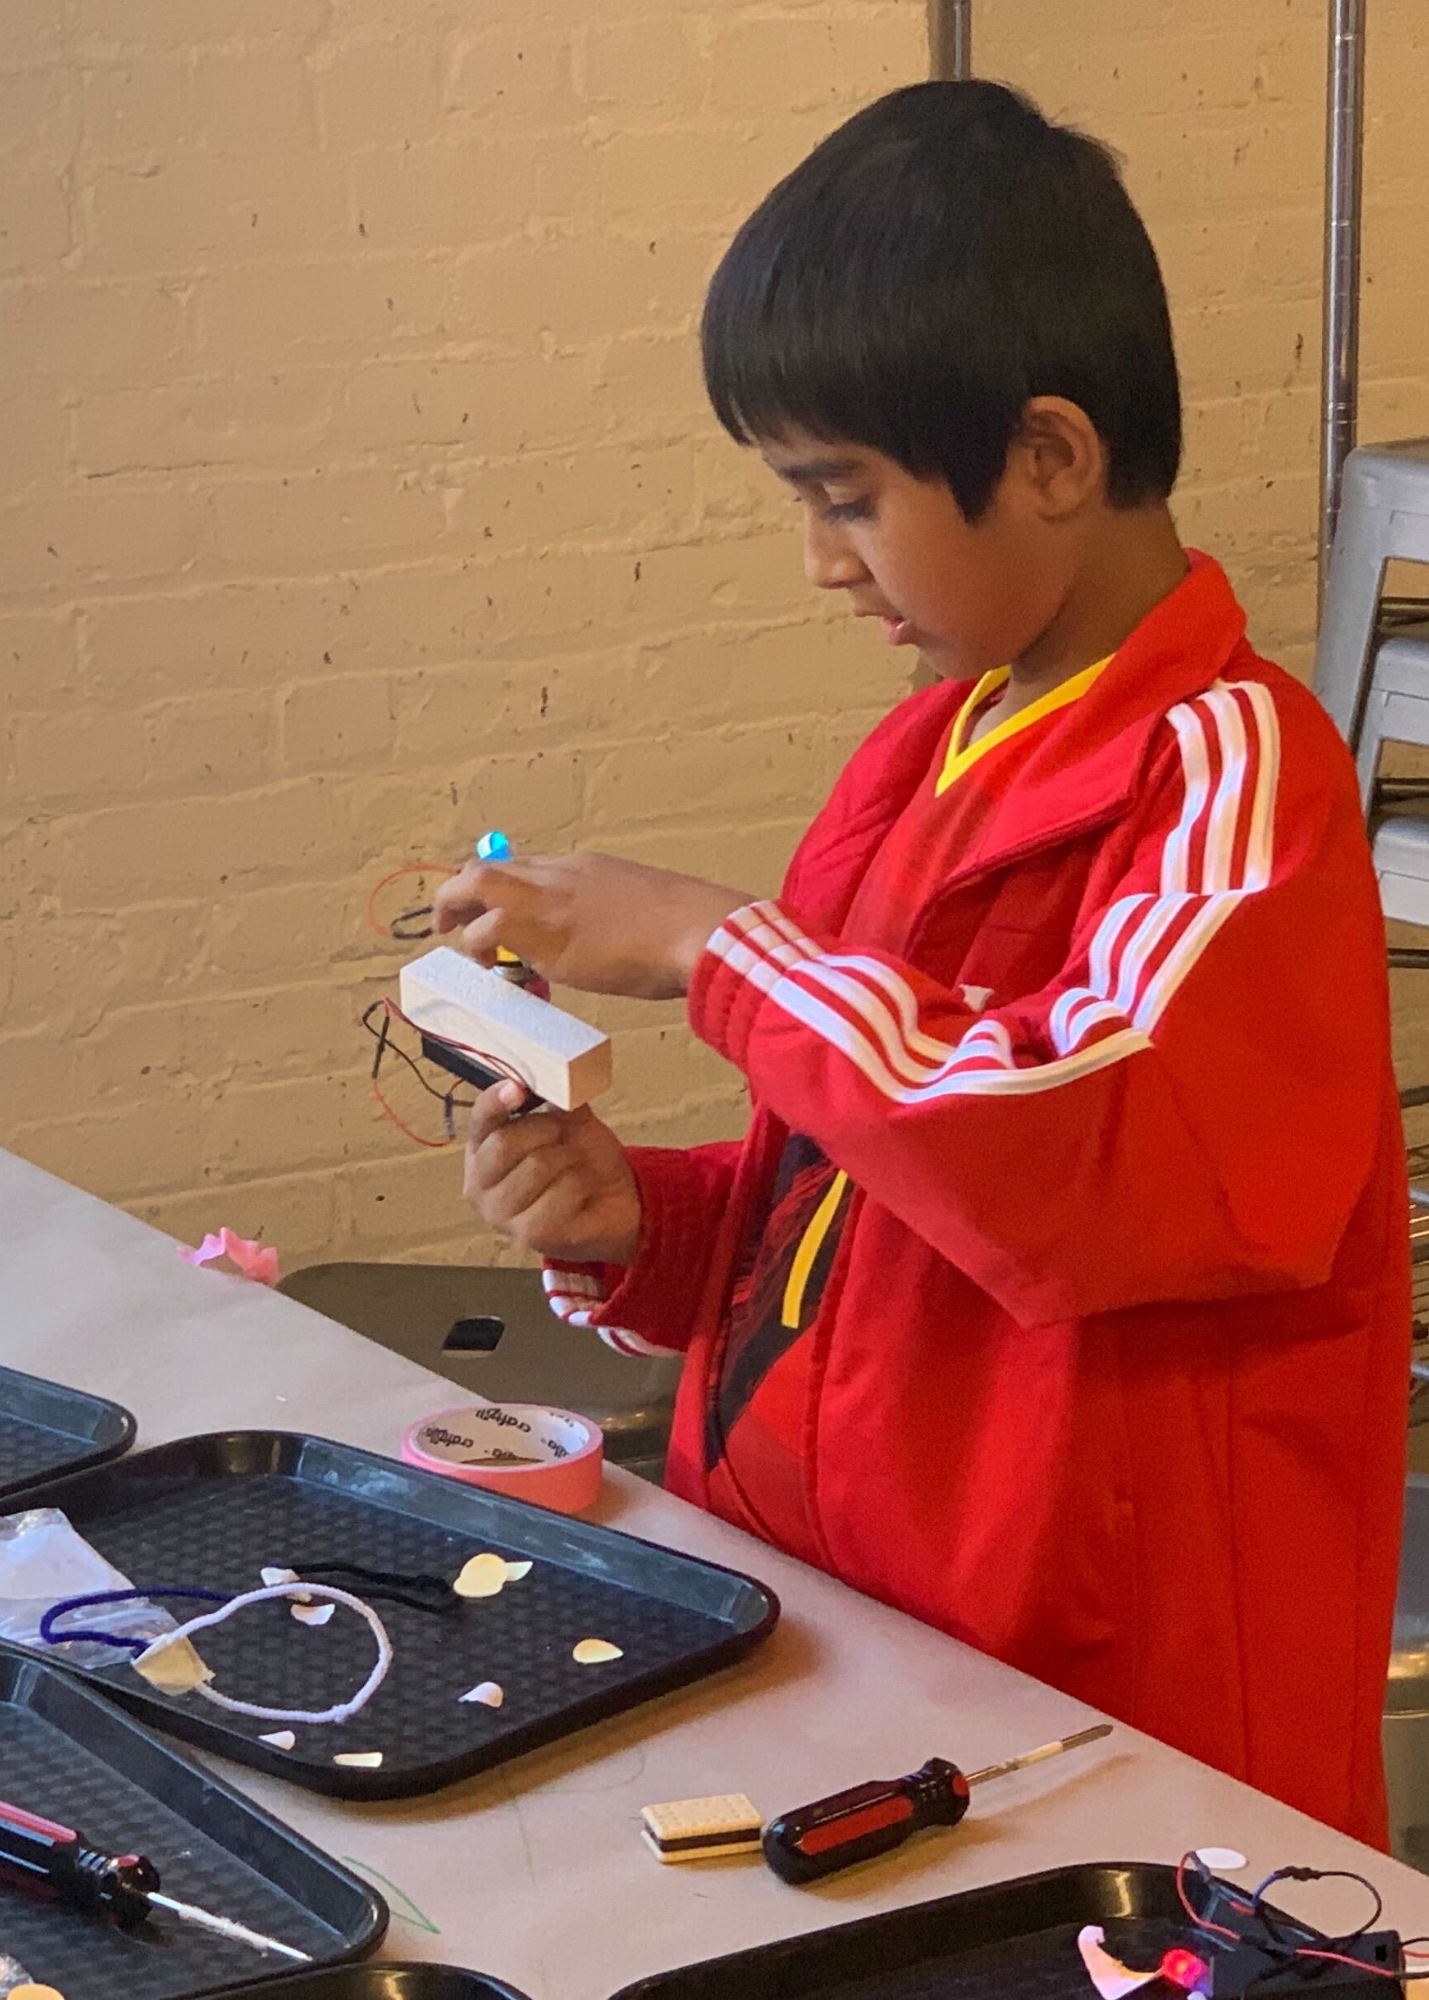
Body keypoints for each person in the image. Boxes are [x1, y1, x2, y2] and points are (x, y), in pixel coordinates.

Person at [433, 81, 1409, 1845]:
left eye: (846, 497)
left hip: (1122, 1698)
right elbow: (863, 1184)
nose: (820, 563)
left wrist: (715, 944)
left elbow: (1073, 1157)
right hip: (871, 1624)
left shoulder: (1234, 771)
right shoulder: (924, 755)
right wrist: (646, 1229)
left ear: (1047, 454)